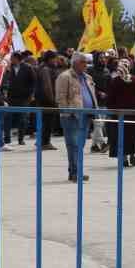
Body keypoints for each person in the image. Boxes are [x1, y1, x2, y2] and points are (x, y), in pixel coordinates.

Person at [52, 53, 97, 181]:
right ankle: (75, 172)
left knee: (80, 145)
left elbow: (91, 94)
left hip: (86, 116)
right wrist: (68, 112)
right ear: (75, 63)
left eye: (86, 62)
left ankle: (76, 171)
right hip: (72, 117)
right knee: (73, 145)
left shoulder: (87, 77)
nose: (86, 65)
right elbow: (60, 97)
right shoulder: (64, 76)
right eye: (83, 62)